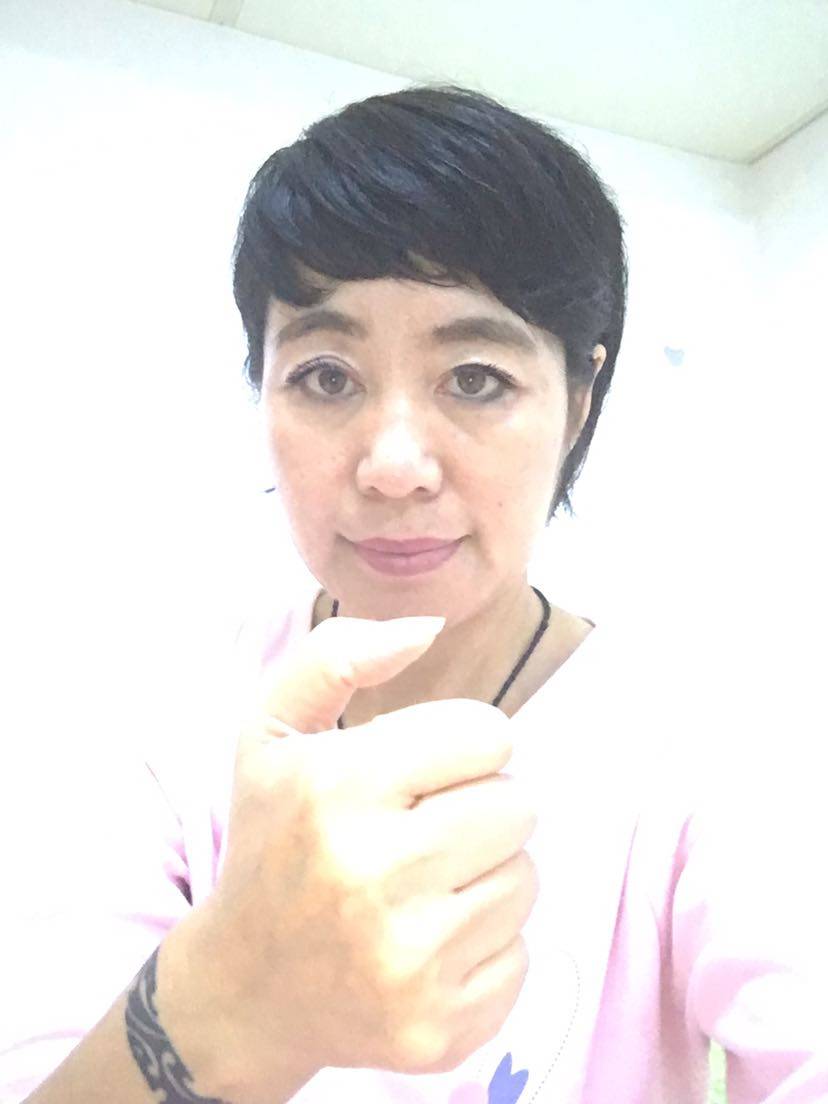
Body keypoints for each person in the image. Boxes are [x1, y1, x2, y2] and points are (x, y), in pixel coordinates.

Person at [2, 83, 826, 1104]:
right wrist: (224, 1005)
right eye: (327, 376)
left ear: (579, 402)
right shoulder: (160, 721)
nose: (394, 466)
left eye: (476, 378)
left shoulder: (702, 743)